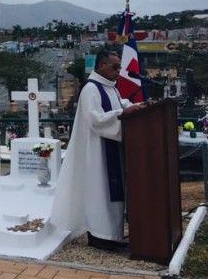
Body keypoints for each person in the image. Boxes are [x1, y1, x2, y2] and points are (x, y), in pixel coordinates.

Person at [50, 49, 144, 250]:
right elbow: (96, 119)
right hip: (97, 151)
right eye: (114, 66)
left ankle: (112, 235)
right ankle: (100, 236)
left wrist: (137, 106)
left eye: (118, 66)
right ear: (101, 65)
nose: (118, 71)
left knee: (111, 193)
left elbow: (118, 104)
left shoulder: (111, 88)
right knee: (99, 193)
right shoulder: (91, 89)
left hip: (110, 147)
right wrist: (123, 112)